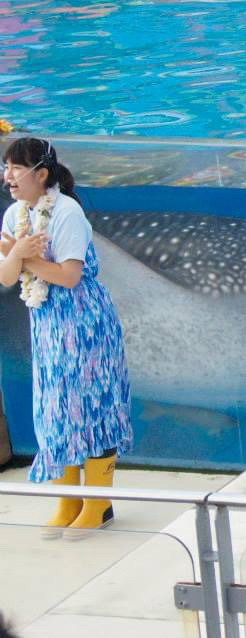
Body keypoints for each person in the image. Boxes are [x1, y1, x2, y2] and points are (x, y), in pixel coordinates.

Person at [0, 137, 132, 537]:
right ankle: (68, 499)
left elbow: (70, 276)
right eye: (5, 168)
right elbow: (6, 278)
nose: (8, 177)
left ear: (41, 174)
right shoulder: (15, 215)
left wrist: (25, 256)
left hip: (85, 323)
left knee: (92, 406)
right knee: (56, 409)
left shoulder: (68, 212)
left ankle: (98, 504)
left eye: (15, 169)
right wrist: (17, 253)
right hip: (47, 324)